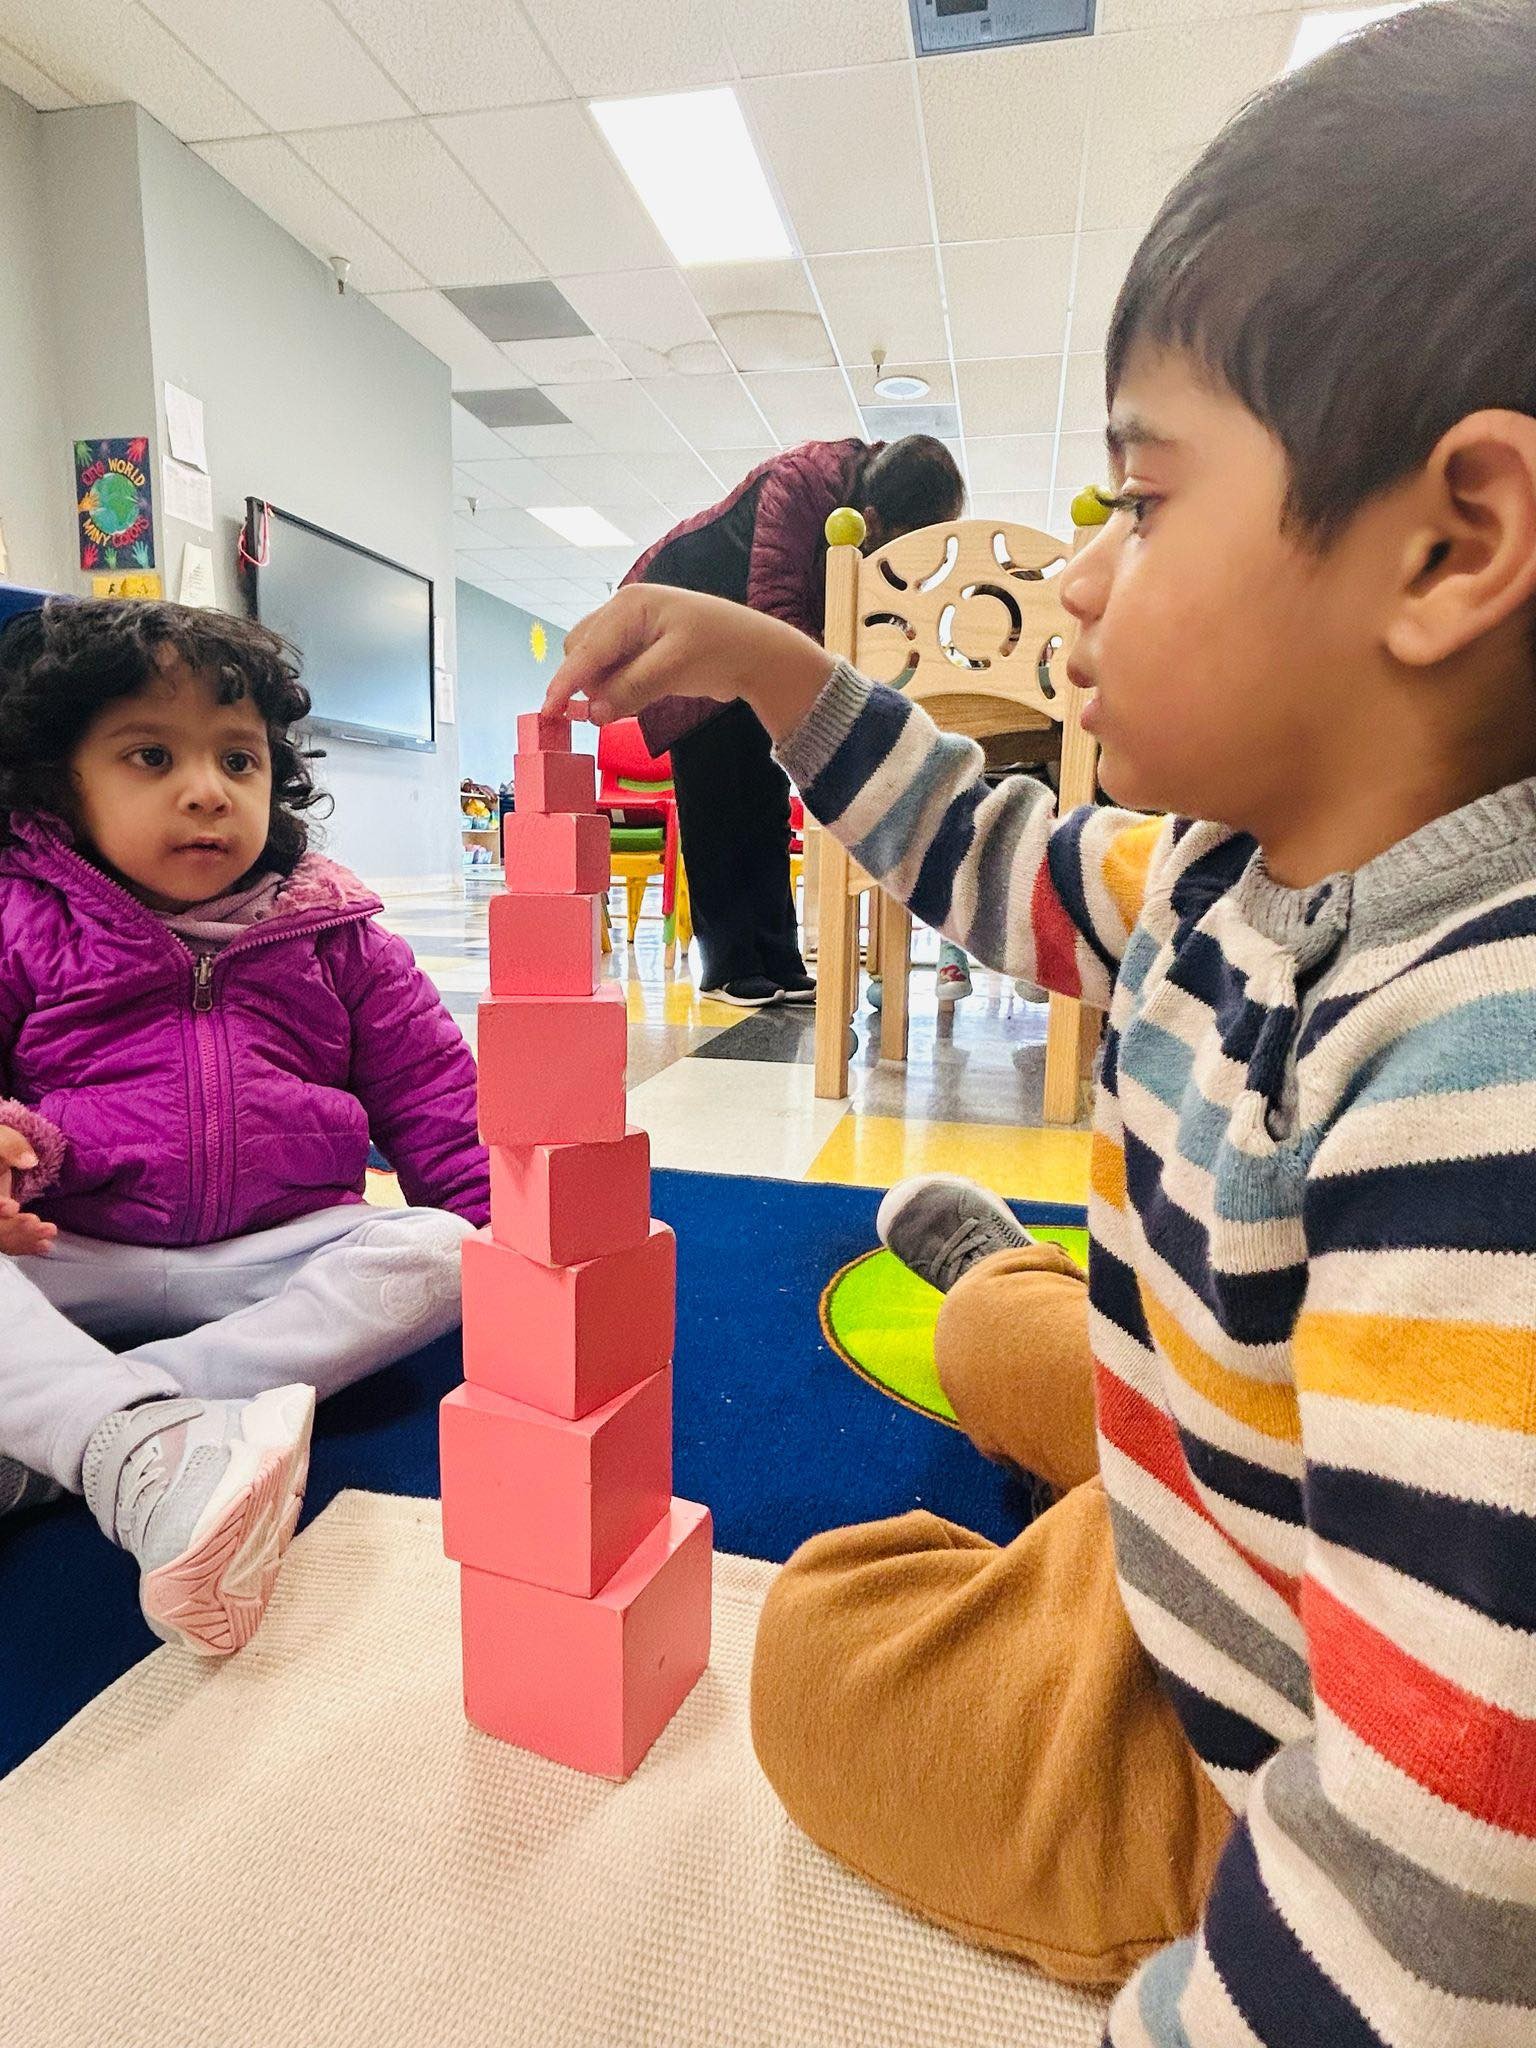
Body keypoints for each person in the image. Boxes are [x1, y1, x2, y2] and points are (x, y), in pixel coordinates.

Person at [545, 5, 1536, 2039]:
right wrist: (766, 665)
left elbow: (1454, 1849)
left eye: (1142, 510)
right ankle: (1021, 1297)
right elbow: (982, 846)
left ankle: (1070, 1396)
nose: (1077, 592)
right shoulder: (1206, 871)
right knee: (1041, 1323)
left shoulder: (1476, 1082)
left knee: (830, 1651)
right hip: (1217, 1432)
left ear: (1450, 547)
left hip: (1250, 1731)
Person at [0, 600, 488, 1656]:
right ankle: (123, 1431)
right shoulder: (19, 914)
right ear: (61, 783)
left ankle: (96, 1431)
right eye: (149, 754)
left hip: (276, 1255)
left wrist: (519, 1253)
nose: (208, 789)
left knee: (446, 1251)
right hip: (72, 1248)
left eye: (240, 758)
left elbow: (440, 1101)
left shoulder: (336, 933)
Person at [625, 434, 964, 1007]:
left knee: (762, 798)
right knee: (715, 795)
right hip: (682, 623)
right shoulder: (802, 481)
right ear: (874, 519)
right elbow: (774, 606)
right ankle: (728, 967)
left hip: (741, 647)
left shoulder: (864, 511)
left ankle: (777, 959)